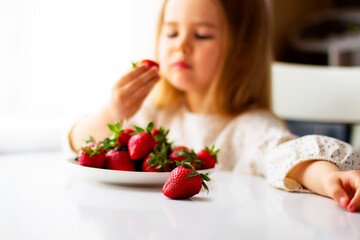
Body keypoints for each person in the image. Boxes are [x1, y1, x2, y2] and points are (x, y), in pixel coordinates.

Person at [67, 0, 360, 212]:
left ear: (242, 52)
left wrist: (330, 177)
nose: (181, 45)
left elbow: (285, 154)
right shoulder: (152, 114)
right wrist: (112, 112)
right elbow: (81, 145)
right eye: (171, 33)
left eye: (202, 35)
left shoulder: (246, 127)